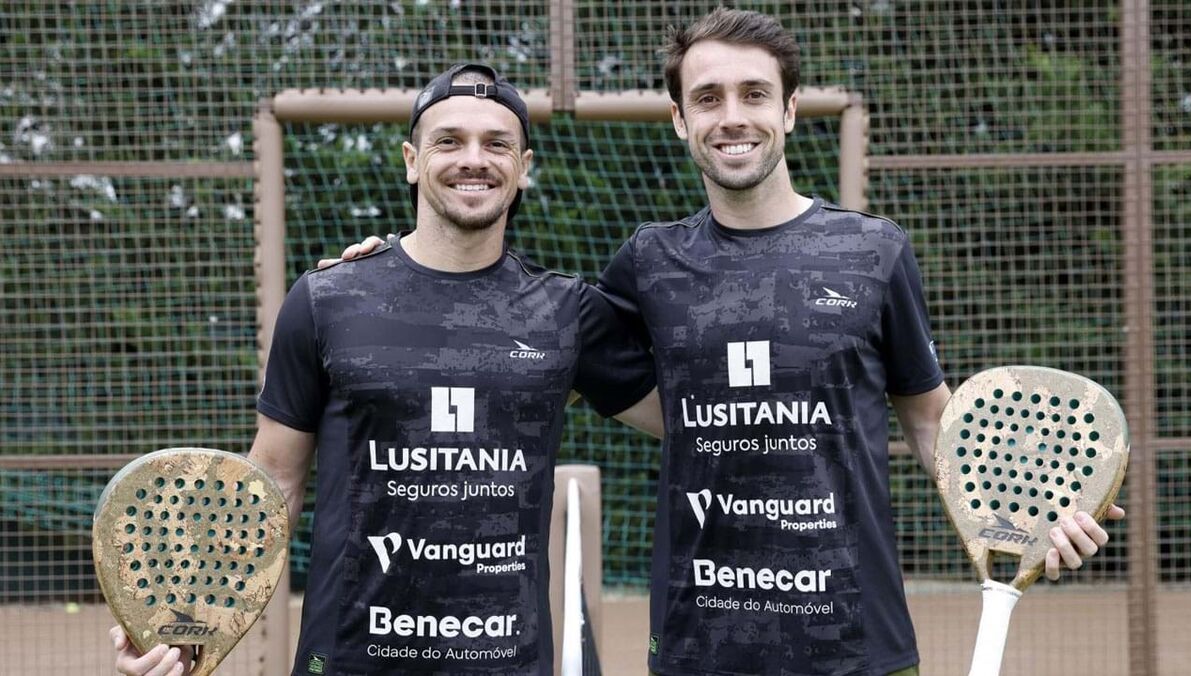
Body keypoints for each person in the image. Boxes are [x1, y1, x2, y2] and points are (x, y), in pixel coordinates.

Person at [331, 10, 1124, 675]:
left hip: (857, 643)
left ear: (789, 110)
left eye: (754, 94)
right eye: (708, 98)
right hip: (698, 647)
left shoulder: (874, 251)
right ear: (681, 119)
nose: (732, 116)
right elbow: (514, 330)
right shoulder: (648, 262)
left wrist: (1023, 509)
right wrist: (395, 275)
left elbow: (930, 422)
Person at [111, 63, 661, 676]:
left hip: (505, 661)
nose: (473, 159)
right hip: (351, 659)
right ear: (411, 160)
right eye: (449, 141)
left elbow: (700, 418)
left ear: (524, 166)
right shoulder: (327, 297)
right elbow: (273, 484)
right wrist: (189, 624)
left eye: (496, 144)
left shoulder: (566, 311)